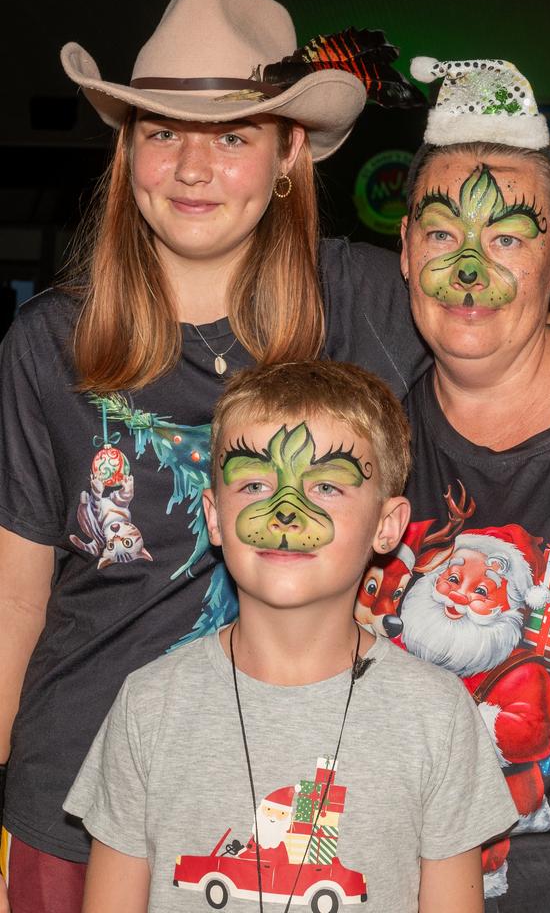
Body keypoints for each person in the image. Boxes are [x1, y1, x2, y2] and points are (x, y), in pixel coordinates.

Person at [0, 0, 550, 913]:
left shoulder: (356, 302)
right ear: (126, 150)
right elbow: (14, 607)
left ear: (288, 155)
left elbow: (514, 308)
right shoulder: (48, 345)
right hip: (75, 802)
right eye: (161, 131)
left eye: (233, 136)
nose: (192, 168)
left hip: (283, 807)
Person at [63, 360, 517, 913]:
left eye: (326, 486)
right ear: (214, 516)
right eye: (254, 483)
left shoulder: (439, 715)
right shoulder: (148, 706)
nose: (285, 512)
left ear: (387, 525)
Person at [369, 55, 550, 912]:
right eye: (444, 234)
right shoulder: (367, 438)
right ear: (408, 250)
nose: (468, 269)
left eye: (508, 238)